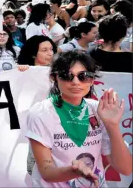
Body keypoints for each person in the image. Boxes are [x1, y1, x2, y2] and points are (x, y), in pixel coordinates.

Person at [26, 51, 132, 187]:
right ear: (54, 77)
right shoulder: (42, 112)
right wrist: (73, 171)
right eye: (67, 76)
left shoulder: (98, 110)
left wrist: (112, 125)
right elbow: (47, 172)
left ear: (92, 80)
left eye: (84, 76)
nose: (75, 82)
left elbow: (126, 169)